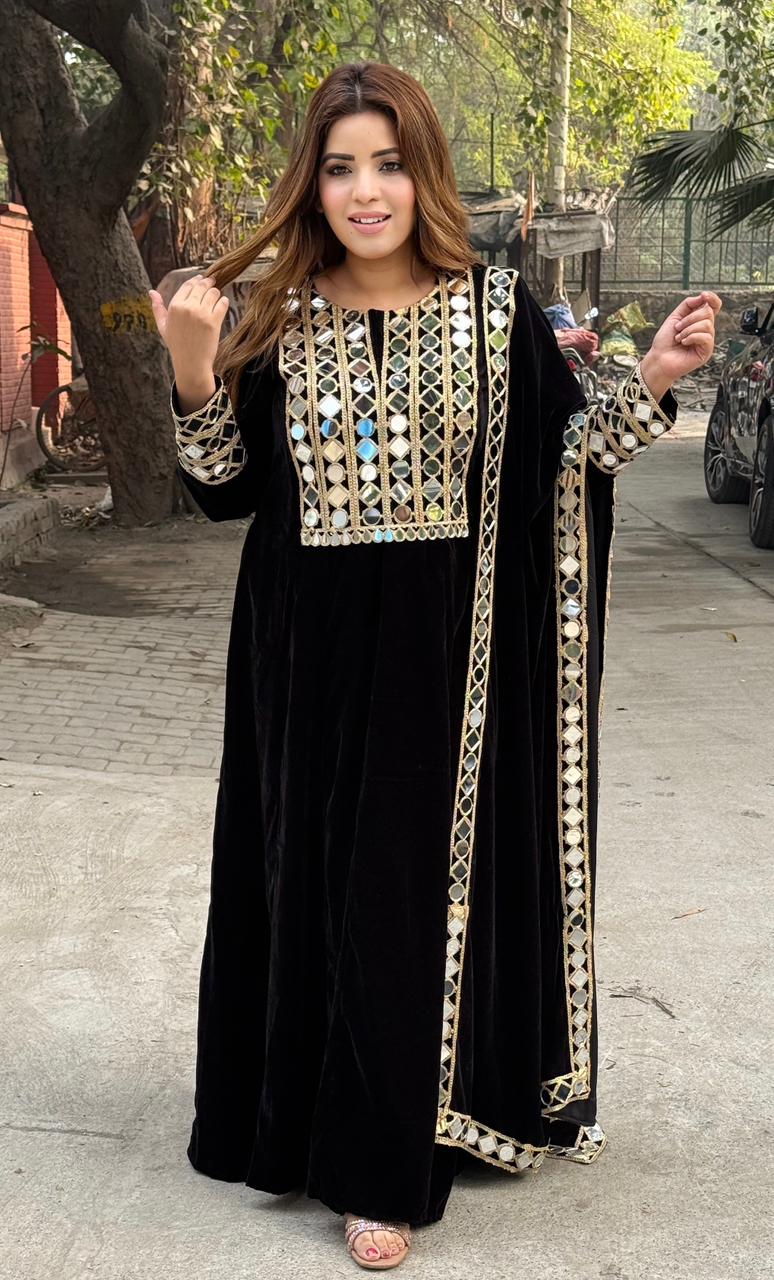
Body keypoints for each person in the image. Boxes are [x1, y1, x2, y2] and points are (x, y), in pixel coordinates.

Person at [148, 60, 720, 1271]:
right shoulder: (276, 314)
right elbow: (226, 493)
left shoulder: (493, 310)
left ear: (427, 174)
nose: (367, 191)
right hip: (301, 658)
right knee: (312, 882)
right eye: (341, 167)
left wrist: (657, 379)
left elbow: (564, 457)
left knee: (401, 896)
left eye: (390, 163)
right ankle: (308, 1117)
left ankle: (380, 1166)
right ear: (313, 183)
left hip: (448, 657)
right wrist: (195, 366)